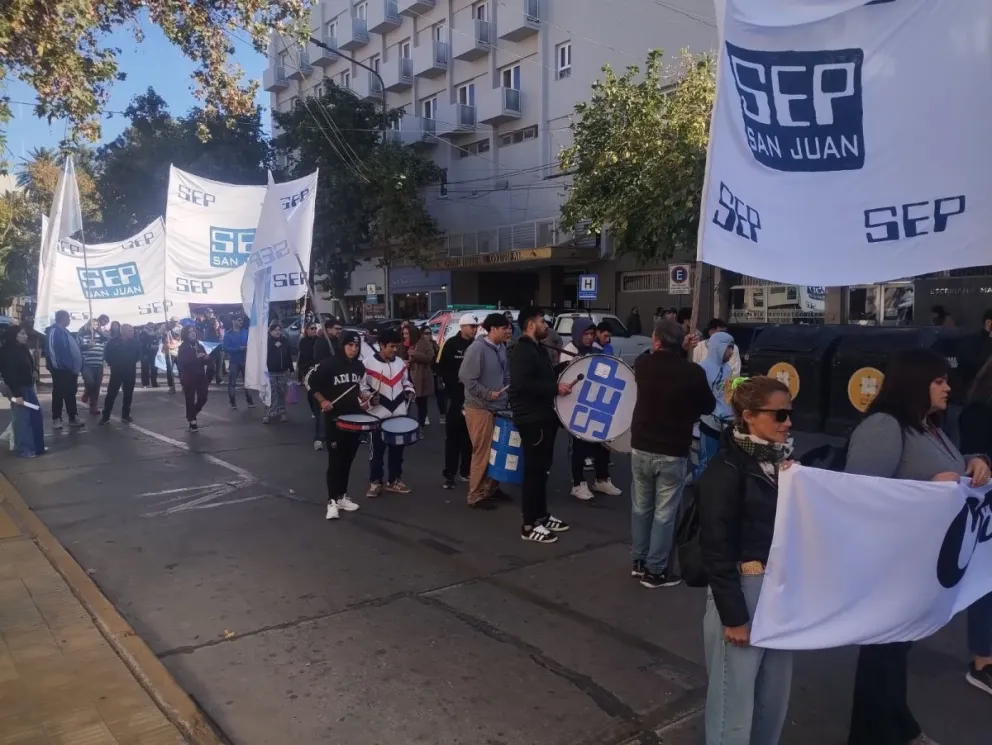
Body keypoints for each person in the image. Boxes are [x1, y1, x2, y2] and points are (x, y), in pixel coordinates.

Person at [844, 348, 990, 745]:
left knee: (893, 655)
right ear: (915, 383)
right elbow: (860, 494)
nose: (948, 387)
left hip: (918, 567)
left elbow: (948, 466)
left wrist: (975, 462)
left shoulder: (930, 427)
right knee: (882, 657)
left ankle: (899, 729)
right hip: (889, 566)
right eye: (939, 380)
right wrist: (928, 489)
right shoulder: (884, 427)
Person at [697, 375, 796, 745]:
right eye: (780, 415)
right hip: (744, 590)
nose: (788, 422)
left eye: (790, 414)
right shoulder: (725, 469)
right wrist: (734, 617)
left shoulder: (784, 465)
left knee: (774, 699)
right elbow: (716, 547)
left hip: (780, 592)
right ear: (750, 416)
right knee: (733, 707)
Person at [629, 318, 715, 587]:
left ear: (656, 341)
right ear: (680, 344)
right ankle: (656, 570)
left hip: (641, 446)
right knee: (664, 514)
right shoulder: (692, 373)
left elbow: (649, 355)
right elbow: (708, 406)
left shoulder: (643, 366)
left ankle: (639, 561)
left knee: (641, 508)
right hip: (672, 450)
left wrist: (677, 347)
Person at [508, 307, 573, 543]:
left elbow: (543, 377)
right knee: (533, 472)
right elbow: (522, 385)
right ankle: (528, 524)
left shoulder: (538, 349)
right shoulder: (523, 351)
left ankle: (542, 516)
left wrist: (565, 368)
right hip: (531, 419)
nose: (547, 326)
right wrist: (555, 388)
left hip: (544, 418)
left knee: (542, 470)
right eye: (543, 322)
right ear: (530, 325)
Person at [957, 357, 992, 698]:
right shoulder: (980, 410)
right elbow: (975, 459)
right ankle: (984, 661)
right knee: (987, 583)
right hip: (987, 510)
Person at [304, 330, 366, 519]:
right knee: (335, 460)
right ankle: (331, 500)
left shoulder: (360, 367)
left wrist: (366, 397)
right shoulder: (328, 364)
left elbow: (358, 390)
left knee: (348, 459)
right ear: (342, 345)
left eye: (356, 346)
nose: (353, 349)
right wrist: (322, 401)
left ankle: (342, 496)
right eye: (350, 345)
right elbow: (309, 381)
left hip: (354, 418)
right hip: (335, 419)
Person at [562, 318, 622, 500]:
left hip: (596, 404)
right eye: (585, 334)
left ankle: (602, 479)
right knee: (580, 446)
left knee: (603, 444)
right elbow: (565, 378)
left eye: (590, 334)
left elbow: (604, 375)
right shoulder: (567, 352)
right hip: (576, 407)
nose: (588, 338)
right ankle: (578, 483)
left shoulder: (596, 350)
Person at [460, 313, 512, 509]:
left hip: (499, 406)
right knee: (482, 452)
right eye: (504, 328)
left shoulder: (502, 348)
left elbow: (506, 373)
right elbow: (466, 378)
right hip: (479, 408)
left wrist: (507, 388)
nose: (508, 331)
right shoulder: (477, 348)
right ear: (492, 330)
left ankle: (491, 489)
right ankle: (475, 495)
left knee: (496, 452)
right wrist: (489, 394)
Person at [361, 329, 415, 496]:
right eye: (391, 346)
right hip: (377, 416)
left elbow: (406, 382)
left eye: (397, 347)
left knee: (397, 451)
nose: (395, 350)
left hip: (398, 414)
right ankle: (375, 482)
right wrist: (369, 399)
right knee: (376, 452)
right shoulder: (367, 364)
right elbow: (361, 388)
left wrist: (409, 391)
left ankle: (395, 480)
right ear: (382, 346)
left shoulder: (400, 363)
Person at [437, 314, 478, 490]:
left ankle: (466, 471)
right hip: (455, 397)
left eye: (476, 326)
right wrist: (453, 382)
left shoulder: (477, 345)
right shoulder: (451, 344)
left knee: (469, 438)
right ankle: (450, 474)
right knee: (453, 437)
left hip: (473, 399)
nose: (474, 329)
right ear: (462, 327)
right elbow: (440, 367)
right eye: (471, 326)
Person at [0, 325, 45, 458]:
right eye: (22, 334)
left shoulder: (23, 349)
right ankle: (24, 449)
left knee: (36, 415)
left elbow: (30, 364)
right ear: (15, 335)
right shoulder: (7, 352)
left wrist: (35, 372)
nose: (25, 336)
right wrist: (16, 395)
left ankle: (37, 446)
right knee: (23, 420)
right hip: (18, 390)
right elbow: (9, 375)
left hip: (29, 387)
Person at [696, 332, 737, 478]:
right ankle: (699, 492)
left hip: (726, 422)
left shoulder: (727, 370)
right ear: (718, 347)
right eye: (728, 348)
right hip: (709, 422)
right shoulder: (702, 369)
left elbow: (728, 395)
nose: (731, 352)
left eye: (732, 348)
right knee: (707, 461)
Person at [46, 310, 84, 429]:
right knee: (58, 393)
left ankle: (73, 416)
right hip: (60, 370)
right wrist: (59, 366)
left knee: (70, 393)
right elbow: (52, 350)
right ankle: (56, 418)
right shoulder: (53, 331)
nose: (69, 320)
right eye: (68, 317)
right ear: (62, 317)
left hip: (71, 370)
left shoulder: (65, 332)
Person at [100, 324, 141, 424]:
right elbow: (107, 354)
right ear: (122, 331)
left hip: (130, 370)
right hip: (117, 371)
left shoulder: (135, 342)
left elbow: (138, 354)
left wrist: (131, 361)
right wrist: (113, 363)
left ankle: (125, 415)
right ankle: (105, 416)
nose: (132, 332)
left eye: (132, 331)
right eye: (129, 331)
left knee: (128, 394)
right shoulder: (113, 342)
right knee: (111, 394)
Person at [177, 326, 213, 431]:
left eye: (193, 331)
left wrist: (207, 358)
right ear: (185, 335)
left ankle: (192, 414)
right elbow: (182, 361)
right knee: (190, 399)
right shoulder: (183, 347)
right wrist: (195, 357)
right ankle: (192, 421)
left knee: (203, 398)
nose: (193, 334)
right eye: (190, 332)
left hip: (200, 375)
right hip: (189, 376)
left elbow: (205, 358)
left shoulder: (199, 345)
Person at [297, 321, 325, 450]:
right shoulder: (304, 342)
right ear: (306, 330)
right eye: (312, 328)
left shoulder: (319, 340)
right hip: (308, 369)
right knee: (310, 393)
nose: (314, 330)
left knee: (316, 395)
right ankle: (314, 410)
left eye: (316, 328)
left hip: (318, 371)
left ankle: (318, 413)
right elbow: (306, 355)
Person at [405, 325, 435, 432]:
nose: (405, 336)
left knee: (421, 402)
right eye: (403, 334)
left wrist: (415, 354)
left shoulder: (423, 342)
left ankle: (420, 426)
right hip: (406, 375)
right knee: (407, 402)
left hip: (421, 377)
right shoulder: (402, 343)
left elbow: (430, 356)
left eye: (407, 334)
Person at [264, 321, 294, 424]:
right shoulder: (266, 342)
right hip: (271, 371)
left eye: (279, 330)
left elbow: (288, 355)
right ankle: (269, 412)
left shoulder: (285, 341)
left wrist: (291, 369)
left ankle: (282, 412)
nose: (278, 332)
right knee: (271, 393)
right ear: (270, 331)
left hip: (283, 371)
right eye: (275, 330)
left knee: (281, 392)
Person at [222, 316, 253, 409]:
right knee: (232, 383)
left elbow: (251, 343)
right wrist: (238, 349)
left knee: (248, 382)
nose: (241, 322)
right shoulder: (228, 334)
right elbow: (225, 348)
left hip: (245, 360)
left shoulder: (245, 332)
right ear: (233, 321)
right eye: (239, 320)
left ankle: (250, 400)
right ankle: (232, 402)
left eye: (241, 320)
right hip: (234, 361)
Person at [78, 318, 108, 416]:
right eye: (93, 324)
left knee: (97, 385)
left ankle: (93, 405)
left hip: (98, 364)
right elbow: (77, 347)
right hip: (87, 364)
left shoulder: (101, 336)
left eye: (96, 324)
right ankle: (87, 393)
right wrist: (87, 346)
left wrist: (98, 331)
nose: (94, 326)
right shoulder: (82, 335)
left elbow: (107, 338)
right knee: (90, 382)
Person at [139, 323, 161, 388]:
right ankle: (145, 383)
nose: (152, 327)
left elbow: (158, 341)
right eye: (150, 326)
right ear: (147, 326)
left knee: (154, 369)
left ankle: (154, 383)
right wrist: (144, 353)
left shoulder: (155, 333)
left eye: (153, 326)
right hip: (145, 354)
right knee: (145, 369)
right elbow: (141, 344)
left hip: (154, 353)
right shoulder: (143, 333)